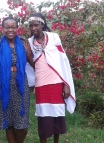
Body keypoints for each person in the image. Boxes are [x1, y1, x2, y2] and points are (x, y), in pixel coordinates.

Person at [27, 13, 76, 143]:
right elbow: (33, 63)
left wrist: (66, 84)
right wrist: (28, 55)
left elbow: (62, 60)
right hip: (41, 83)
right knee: (43, 117)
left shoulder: (54, 37)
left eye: (36, 25)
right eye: (31, 26)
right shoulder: (30, 43)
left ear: (42, 24)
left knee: (57, 116)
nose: (33, 28)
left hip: (57, 82)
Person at [0, 16, 34, 143]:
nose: (10, 30)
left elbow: (35, 64)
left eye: (13, 27)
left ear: (17, 28)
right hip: (1, 84)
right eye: (7, 27)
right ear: (2, 28)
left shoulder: (24, 44)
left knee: (22, 126)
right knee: (8, 121)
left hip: (20, 85)